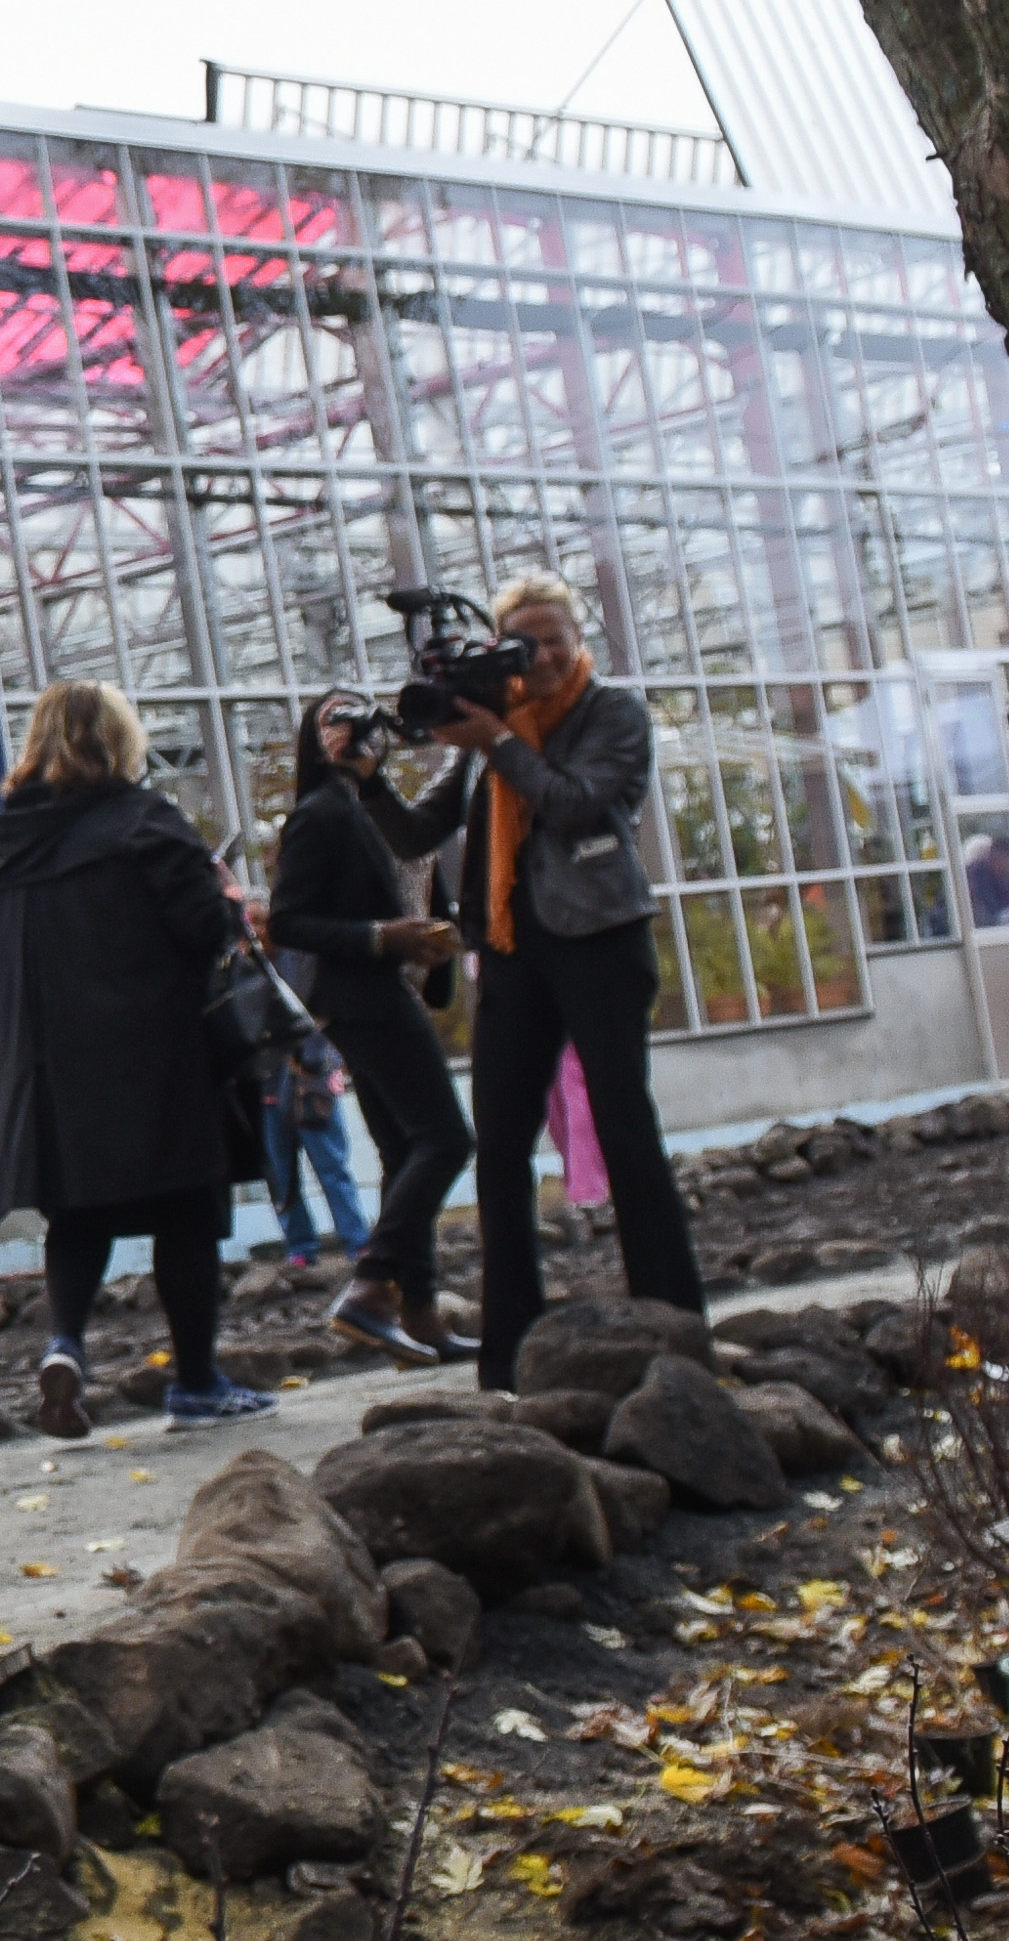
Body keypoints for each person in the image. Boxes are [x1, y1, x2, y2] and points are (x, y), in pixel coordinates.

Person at [412, 571, 703, 1384]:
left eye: (552, 639)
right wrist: (358, 767)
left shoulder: (611, 711)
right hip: (510, 949)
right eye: (521, 642)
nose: (537, 655)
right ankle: (507, 1349)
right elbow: (420, 826)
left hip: (600, 942)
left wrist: (496, 745)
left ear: (579, 642)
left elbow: (578, 802)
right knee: (500, 1145)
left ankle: (674, 1318)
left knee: (622, 1125)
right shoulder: (489, 725)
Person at [0, 682, 273, 1437]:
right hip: (154, 1057)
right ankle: (196, 1384)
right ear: (120, 739)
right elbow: (204, 932)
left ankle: (64, 1344)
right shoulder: (145, 823)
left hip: (47, 1073)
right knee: (188, 1217)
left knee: (75, 1220)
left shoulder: (2, 844)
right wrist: (230, 900)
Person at [259, 696, 470, 1366]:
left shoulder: (362, 809)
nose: (352, 732)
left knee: (404, 1148)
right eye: (333, 720)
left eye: (363, 721)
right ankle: (372, 1284)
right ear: (309, 740)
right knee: (445, 1138)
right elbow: (287, 921)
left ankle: (419, 1313)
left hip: (372, 991)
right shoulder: (318, 815)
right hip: (363, 993)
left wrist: (420, 937)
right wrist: (382, 939)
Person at [258, 1032, 372, 1272]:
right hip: (268, 1088)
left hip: (314, 1083)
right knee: (281, 1178)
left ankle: (358, 1243)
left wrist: (324, 1064)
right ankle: (300, 1248)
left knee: (332, 1168)